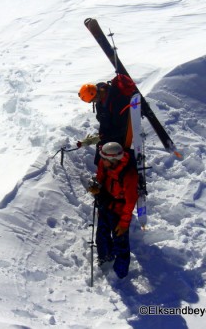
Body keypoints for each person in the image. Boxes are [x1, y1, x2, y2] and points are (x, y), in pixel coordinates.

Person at [87, 142, 138, 279]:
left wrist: (124, 223)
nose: (101, 161)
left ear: (113, 160)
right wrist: (96, 188)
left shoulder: (129, 175)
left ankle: (120, 274)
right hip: (106, 203)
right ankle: (105, 258)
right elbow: (100, 178)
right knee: (102, 234)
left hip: (120, 211)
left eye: (104, 159)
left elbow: (131, 200)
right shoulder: (105, 164)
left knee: (120, 242)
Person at [78, 74, 136, 164]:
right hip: (109, 134)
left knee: (108, 158)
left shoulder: (116, 100)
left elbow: (121, 126)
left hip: (119, 135)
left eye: (94, 100)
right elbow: (104, 120)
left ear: (96, 93)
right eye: (92, 101)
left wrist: (104, 136)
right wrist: (100, 136)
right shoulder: (100, 100)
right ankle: (103, 175)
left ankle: (113, 176)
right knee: (99, 157)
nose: (95, 102)